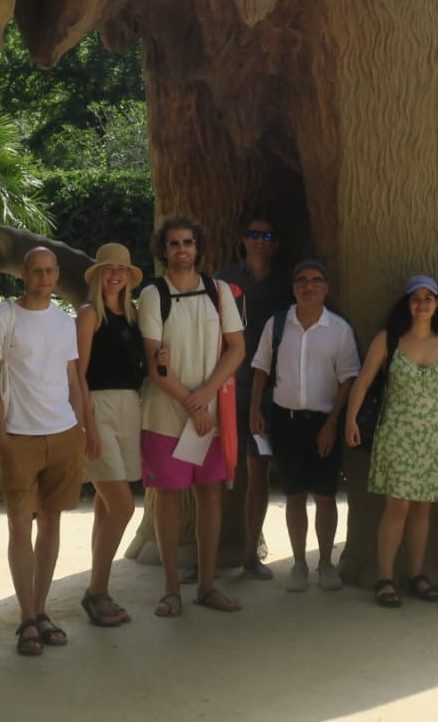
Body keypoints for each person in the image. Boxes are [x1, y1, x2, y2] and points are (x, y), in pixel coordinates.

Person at [0, 246, 95, 656]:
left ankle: (42, 611)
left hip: (63, 433)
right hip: (20, 437)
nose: (44, 278)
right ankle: (26, 618)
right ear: (24, 274)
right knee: (19, 526)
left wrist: (80, 429)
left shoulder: (65, 323)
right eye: (36, 271)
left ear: (57, 273)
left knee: (51, 524)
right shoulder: (4, 316)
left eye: (50, 271)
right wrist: (1, 437)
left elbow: (71, 378)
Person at [137, 216, 247, 617]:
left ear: (198, 248)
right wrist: (194, 403)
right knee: (167, 499)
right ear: (163, 250)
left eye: (187, 243)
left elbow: (236, 348)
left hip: (210, 414)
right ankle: (170, 591)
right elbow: (155, 365)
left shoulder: (219, 292)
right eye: (173, 244)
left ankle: (206, 586)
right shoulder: (153, 295)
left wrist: (204, 397)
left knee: (210, 495)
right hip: (165, 416)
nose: (181, 249)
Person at [345, 275, 438, 608]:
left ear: (437, 303)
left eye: (429, 298)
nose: (422, 304)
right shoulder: (389, 339)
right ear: (407, 303)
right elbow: (363, 382)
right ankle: (384, 577)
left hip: (433, 436)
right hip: (397, 432)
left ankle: (416, 574)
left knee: (423, 508)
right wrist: (351, 419)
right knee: (398, 506)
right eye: (416, 298)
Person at [249, 259, 360, 592]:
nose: (308, 286)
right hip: (285, 421)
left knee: (325, 496)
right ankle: (299, 563)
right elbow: (261, 369)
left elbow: (347, 381)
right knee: (294, 495)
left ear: (325, 288)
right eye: (302, 280)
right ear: (294, 286)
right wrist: (255, 409)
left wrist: (333, 424)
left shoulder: (339, 329)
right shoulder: (278, 324)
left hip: (322, 424)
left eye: (315, 281)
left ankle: (325, 563)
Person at [75, 242, 148, 628]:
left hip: (129, 408)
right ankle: (97, 592)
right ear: (98, 275)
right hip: (99, 409)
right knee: (122, 506)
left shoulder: (132, 316)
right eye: (108, 269)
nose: (115, 275)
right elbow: (78, 374)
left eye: (121, 269)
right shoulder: (88, 315)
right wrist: (85, 422)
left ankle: (96, 586)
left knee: (106, 507)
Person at [217, 215, 291, 580]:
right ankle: (212, 553)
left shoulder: (288, 284)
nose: (261, 240)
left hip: (268, 392)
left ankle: (250, 555)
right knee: (217, 470)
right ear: (243, 241)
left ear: (275, 244)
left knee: (258, 471)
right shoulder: (224, 281)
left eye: (269, 234)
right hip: (227, 388)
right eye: (255, 234)